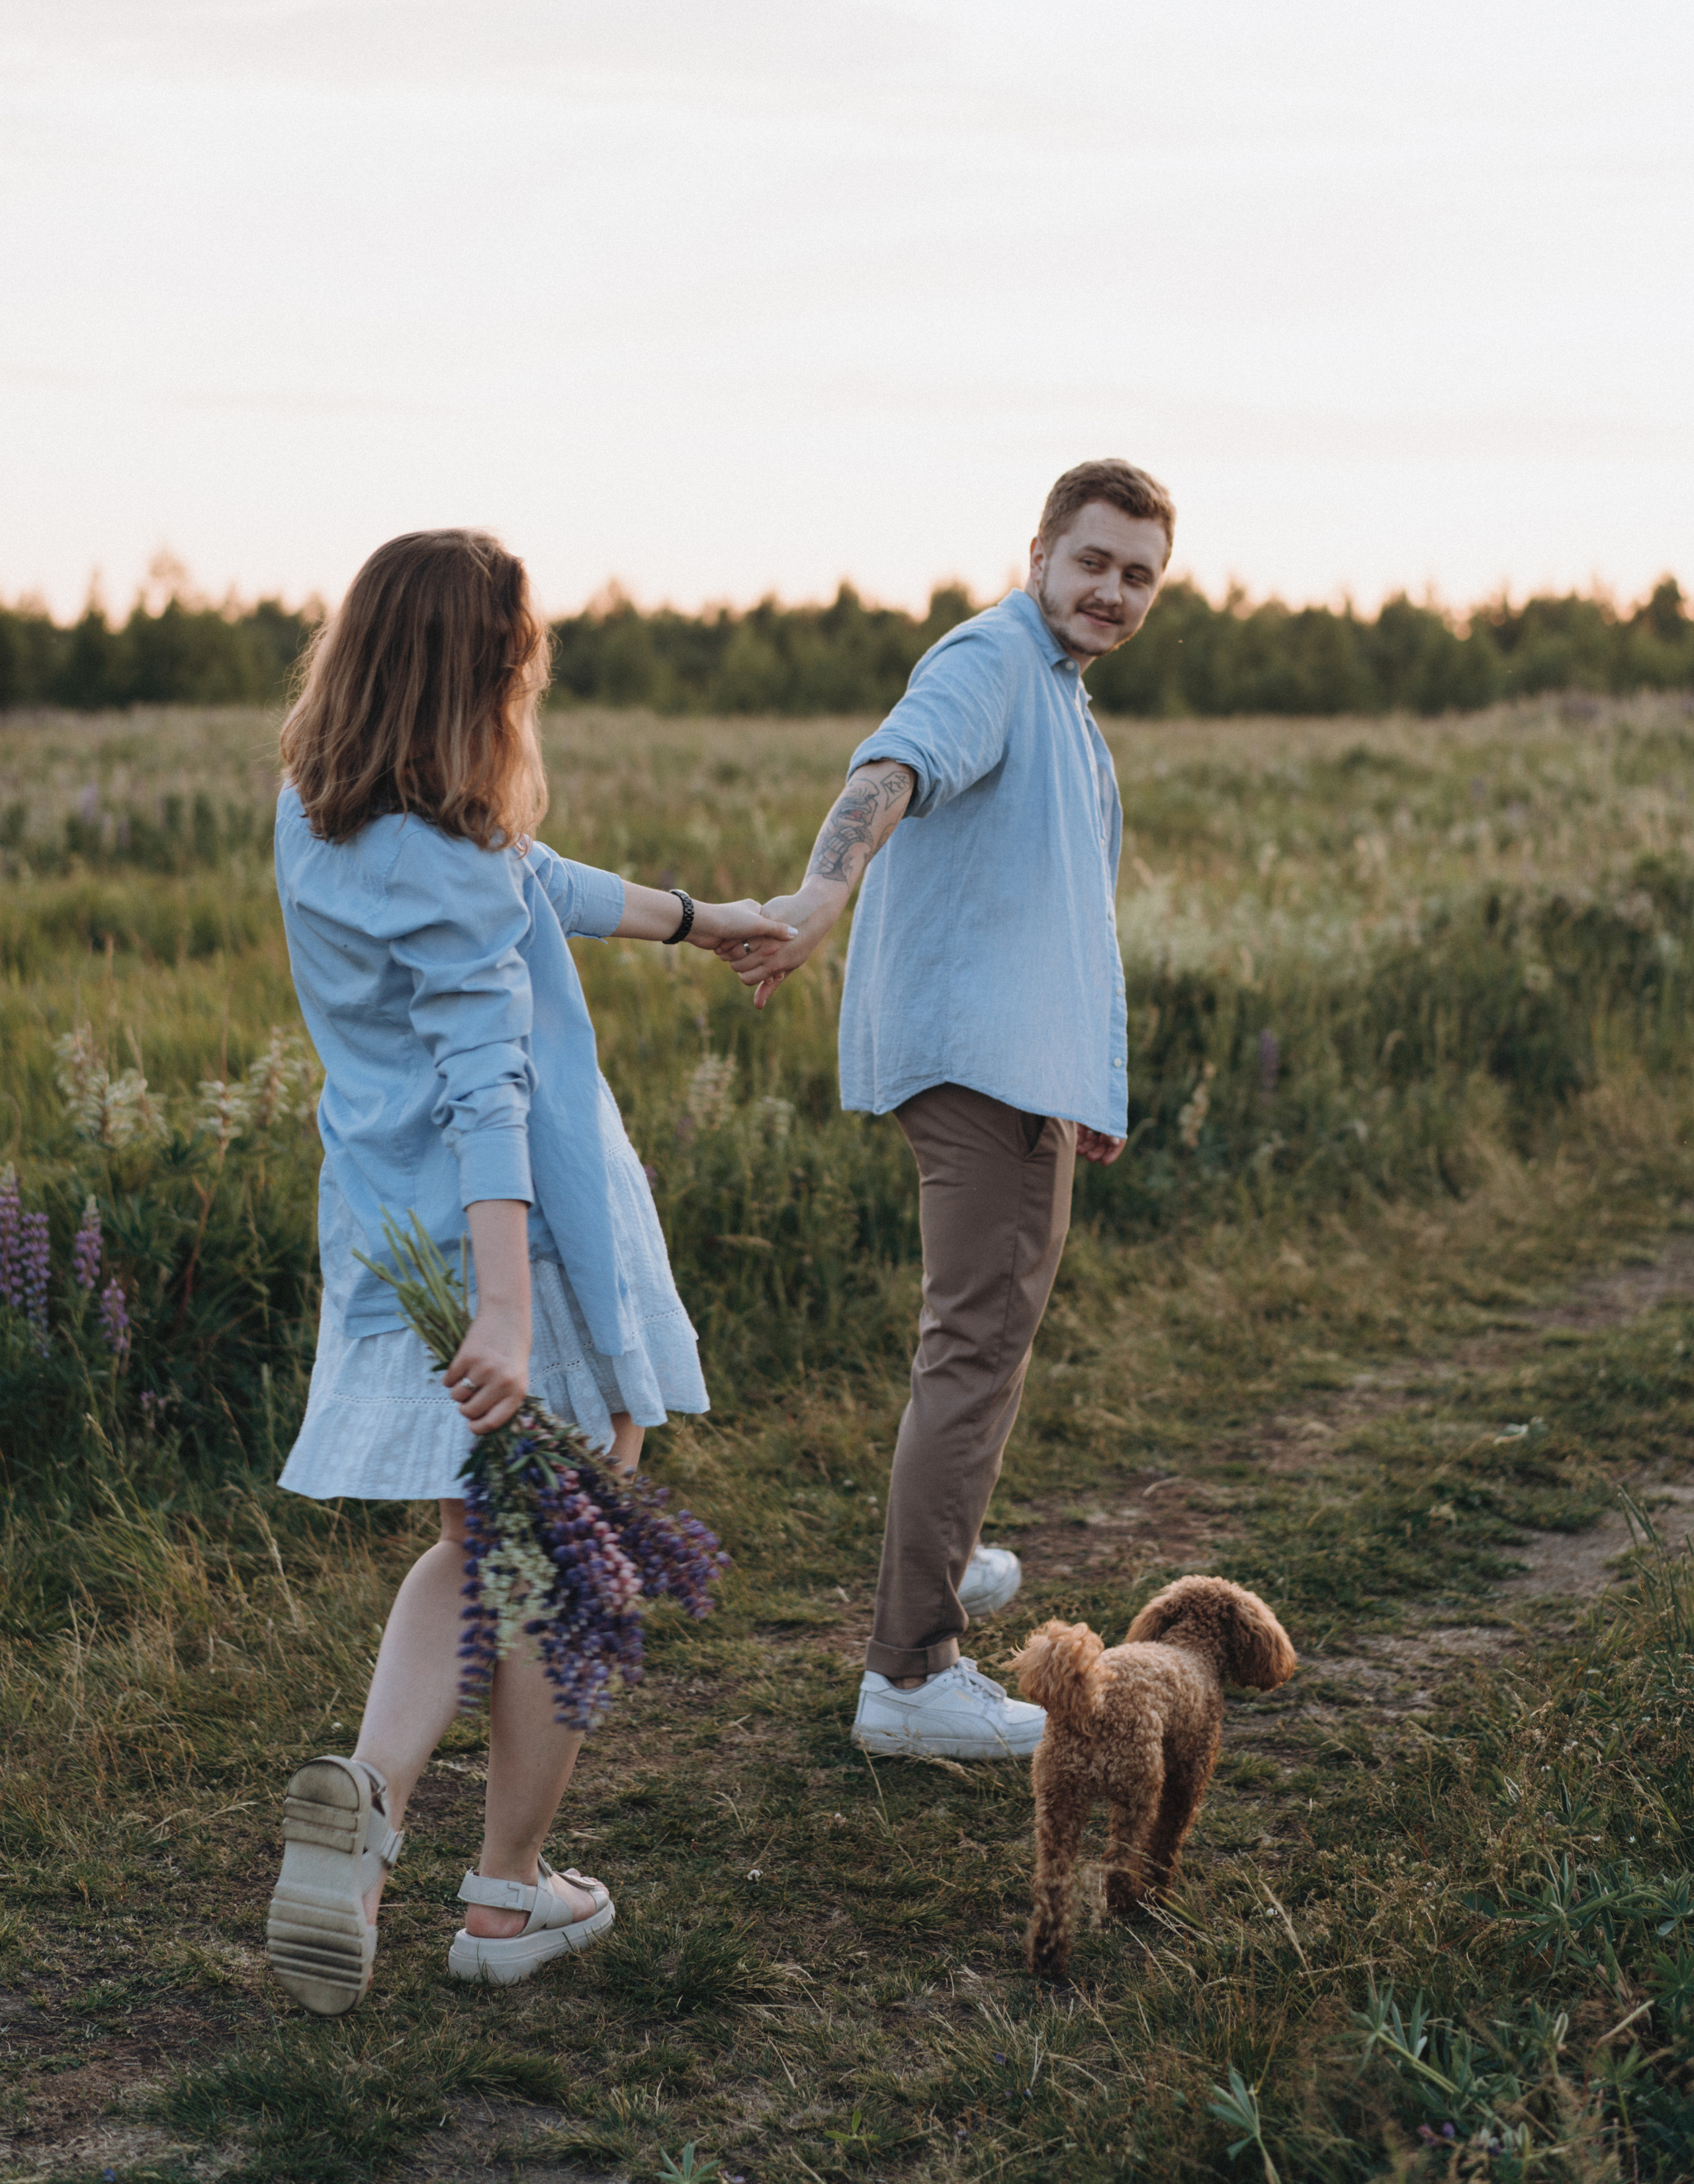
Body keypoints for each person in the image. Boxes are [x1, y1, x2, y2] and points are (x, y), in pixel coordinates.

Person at [264, 529, 794, 2015]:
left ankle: (365, 1811)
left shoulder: (327, 820)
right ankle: (506, 1894)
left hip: (384, 1231)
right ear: (488, 674)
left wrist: (700, 921)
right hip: (509, 1244)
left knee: (474, 1538)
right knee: (564, 1558)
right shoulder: (444, 867)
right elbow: (484, 1085)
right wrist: (510, 1308)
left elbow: (526, 878)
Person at [724, 459, 1173, 1759]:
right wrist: (818, 898)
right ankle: (910, 1678)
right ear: (1037, 551)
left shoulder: (1053, 692)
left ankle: (947, 1548)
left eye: (1137, 575)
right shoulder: (987, 663)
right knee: (974, 1349)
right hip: (983, 1068)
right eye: (1091, 562)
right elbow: (888, 774)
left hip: (1021, 1063)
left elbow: (1053, 906)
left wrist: (1090, 1074)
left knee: (979, 1337)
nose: (1111, 591)